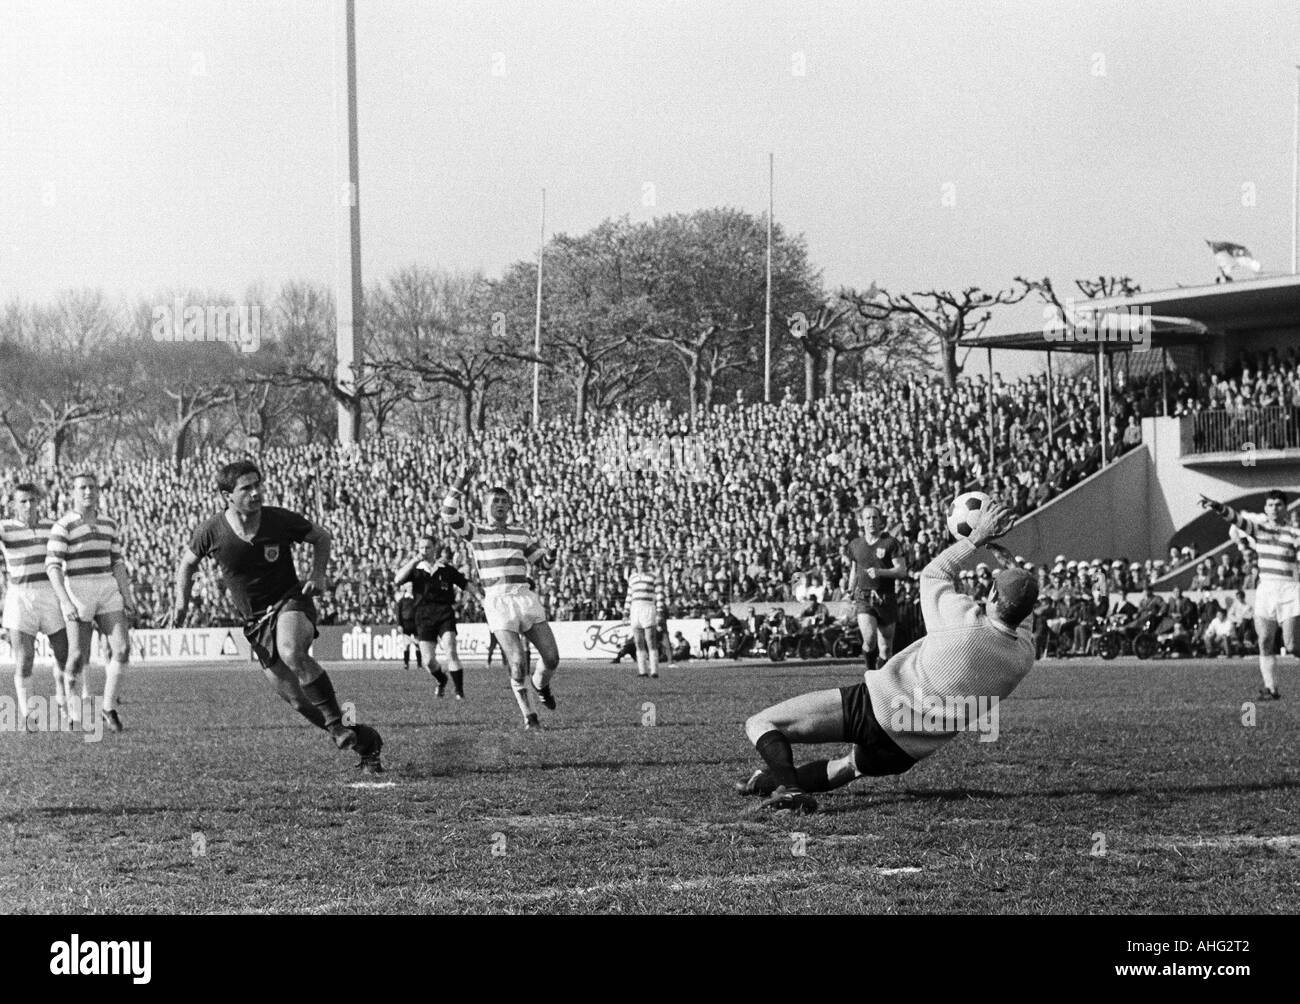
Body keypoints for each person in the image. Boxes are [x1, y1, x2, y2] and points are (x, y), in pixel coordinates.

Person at [737, 499, 1037, 814]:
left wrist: (975, 540)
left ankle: (789, 788)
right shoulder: (1022, 656)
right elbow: (1021, 615)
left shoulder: (961, 621)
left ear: (990, 595)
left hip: (878, 709)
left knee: (761, 721)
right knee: (848, 767)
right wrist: (1013, 570)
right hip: (907, 751)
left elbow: (933, 574)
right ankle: (765, 782)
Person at [170, 460, 384, 772]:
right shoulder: (211, 531)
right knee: (296, 700)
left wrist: (319, 574)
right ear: (226, 495)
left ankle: (338, 727)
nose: (256, 493)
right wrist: (181, 605)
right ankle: (365, 741)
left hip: (290, 601)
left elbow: (321, 537)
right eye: (247, 488)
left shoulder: (279, 519)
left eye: (258, 485)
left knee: (291, 651)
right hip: (256, 623)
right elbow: (186, 565)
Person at [441, 462, 560, 730]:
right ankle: (530, 716)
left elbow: (543, 564)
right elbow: (448, 513)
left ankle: (541, 686)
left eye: (505, 501)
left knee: (551, 658)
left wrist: (550, 552)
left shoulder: (522, 533)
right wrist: (461, 480)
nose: (501, 505)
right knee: (517, 662)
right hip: (497, 600)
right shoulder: (476, 532)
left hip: (524, 597)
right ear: (486, 506)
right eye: (496, 501)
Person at [44, 473, 135, 733]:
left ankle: (108, 707)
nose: (88, 492)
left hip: (106, 587)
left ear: (98, 491)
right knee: (76, 656)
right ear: (72, 492)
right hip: (78, 590)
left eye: (92, 487)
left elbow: (117, 562)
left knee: (122, 648)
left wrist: (127, 597)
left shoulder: (108, 523)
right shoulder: (64, 525)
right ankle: (72, 711)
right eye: (82, 487)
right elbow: (52, 566)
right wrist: (65, 600)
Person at [1200, 490, 1297, 699]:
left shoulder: (1294, 533)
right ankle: (1271, 688)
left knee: (1292, 645)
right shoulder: (1259, 529)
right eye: (1270, 505)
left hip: (1289, 590)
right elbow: (1237, 520)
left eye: (1278, 505)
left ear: (1285, 508)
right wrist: (1218, 507)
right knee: (1264, 640)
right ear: (1265, 509)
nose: (1274, 508)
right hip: (1266, 590)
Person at [1, 483, 70, 726]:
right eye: (23, 501)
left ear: (39, 501)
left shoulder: (52, 527)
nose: (29, 506)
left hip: (49, 594)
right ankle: (29, 714)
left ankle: (65, 703)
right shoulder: (5, 528)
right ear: (13, 505)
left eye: (32, 500)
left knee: (64, 653)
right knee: (25, 657)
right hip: (20, 596)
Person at [394, 539, 481, 699]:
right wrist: (414, 560)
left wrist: (481, 598)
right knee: (428, 661)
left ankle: (459, 692)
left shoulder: (446, 569)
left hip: (444, 613)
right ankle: (442, 680)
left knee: (450, 649)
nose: (424, 550)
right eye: (421, 547)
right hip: (423, 616)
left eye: (427, 547)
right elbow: (397, 579)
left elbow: (465, 584)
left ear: (434, 549)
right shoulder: (415, 569)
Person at [843, 505, 909, 671]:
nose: (871, 521)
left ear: (880, 521)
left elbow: (902, 571)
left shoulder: (890, 543)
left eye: (875, 518)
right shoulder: (855, 545)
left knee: (886, 649)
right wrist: (850, 589)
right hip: (864, 597)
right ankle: (869, 673)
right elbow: (854, 570)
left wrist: (880, 572)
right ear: (861, 522)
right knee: (869, 638)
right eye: (868, 518)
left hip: (886, 598)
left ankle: (881, 678)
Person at [624, 550, 666, 678]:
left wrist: (659, 612)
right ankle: (642, 671)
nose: (641, 564)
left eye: (643, 561)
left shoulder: (653, 576)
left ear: (647, 562)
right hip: (635, 609)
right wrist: (625, 612)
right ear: (636, 563)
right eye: (639, 561)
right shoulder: (632, 577)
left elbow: (659, 594)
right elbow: (629, 595)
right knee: (638, 641)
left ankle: (654, 670)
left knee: (650, 640)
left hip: (648, 608)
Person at [395, 583, 420, 671]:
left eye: (412, 587)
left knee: (418, 644)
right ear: (406, 588)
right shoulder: (402, 600)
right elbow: (398, 613)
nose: (411, 588)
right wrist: (399, 625)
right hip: (406, 624)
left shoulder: (417, 598)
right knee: (406, 645)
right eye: (409, 587)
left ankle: (419, 665)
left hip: (416, 624)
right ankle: (406, 664)